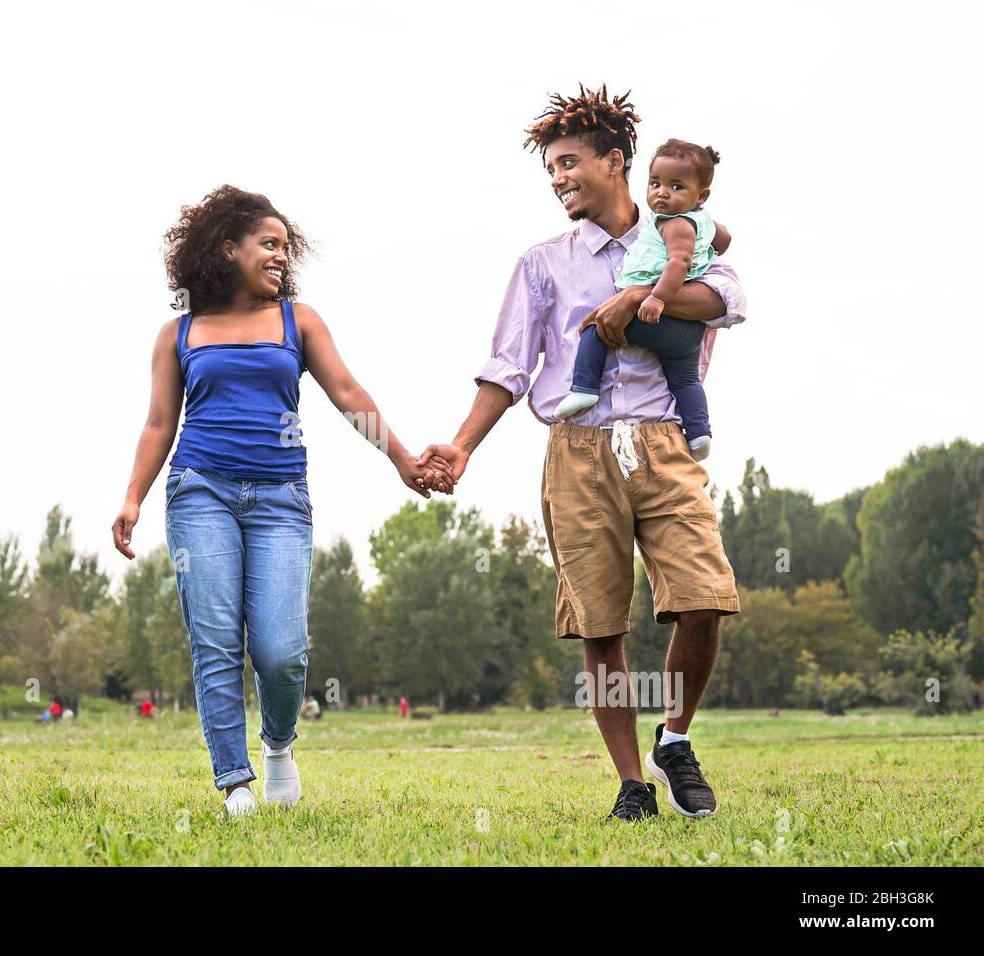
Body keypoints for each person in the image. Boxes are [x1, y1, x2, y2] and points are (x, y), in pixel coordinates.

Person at [419, 84, 745, 822]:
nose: (560, 178)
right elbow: (507, 369)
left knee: (703, 599)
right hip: (577, 450)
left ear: (616, 161)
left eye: (569, 163)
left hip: (663, 444)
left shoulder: (681, 237)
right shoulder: (542, 265)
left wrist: (633, 300)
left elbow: (728, 300)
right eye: (551, 170)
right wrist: (463, 448)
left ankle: (676, 738)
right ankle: (633, 785)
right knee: (601, 627)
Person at [112, 185, 452, 817]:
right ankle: (234, 784)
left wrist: (402, 459)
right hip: (200, 492)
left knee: (281, 650)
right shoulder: (180, 332)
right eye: (267, 244)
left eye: (284, 248)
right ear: (226, 249)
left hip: (279, 501)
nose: (279, 256)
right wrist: (133, 497)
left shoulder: (299, 321)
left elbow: (347, 393)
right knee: (214, 642)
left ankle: (277, 746)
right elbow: (160, 423)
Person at [554, 139, 732, 461]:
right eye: (655, 184)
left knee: (598, 327)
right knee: (686, 379)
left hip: (659, 315)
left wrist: (653, 298)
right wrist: (707, 227)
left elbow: (678, 262)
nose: (662, 193)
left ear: (700, 196)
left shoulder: (674, 224)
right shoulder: (700, 220)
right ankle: (699, 432)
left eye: (676, 187)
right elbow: (725, 239)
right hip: (689, 331)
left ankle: (583, 389)